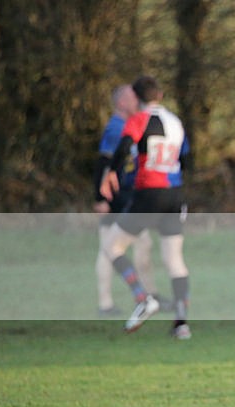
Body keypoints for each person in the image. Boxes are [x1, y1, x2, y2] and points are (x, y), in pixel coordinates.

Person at [99, 75, 192, 339]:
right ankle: (182, 324)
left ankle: (143, 298)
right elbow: (185, 157)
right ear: (160, 96)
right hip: (175, 195)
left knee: (112, 247)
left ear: (137, 99)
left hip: (149, 194)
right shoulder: (175, 122)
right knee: (175, 260)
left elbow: (124, 146)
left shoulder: (138, 119)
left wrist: (111, 173)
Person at [93, 85, 159, 316]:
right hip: (115, 200)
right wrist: (100, 198)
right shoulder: (115, 127)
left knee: (142, 244)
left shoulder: (132, 125)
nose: (137, 101)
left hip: (129, 197)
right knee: (108, 249)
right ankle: (106, 303)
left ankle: (147, 295)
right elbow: (104, 163)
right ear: (121, 102)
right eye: (133, 98)